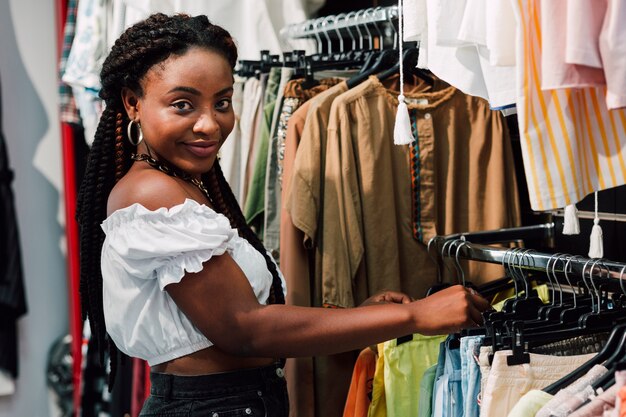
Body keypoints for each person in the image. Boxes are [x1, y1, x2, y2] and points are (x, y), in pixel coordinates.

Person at [76, 13, 491, 417]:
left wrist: (358, 316)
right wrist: (414, 316)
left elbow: (239, 322)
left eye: (222, 102)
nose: (210, 124)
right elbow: (245, 328)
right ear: (133, 102)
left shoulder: (182, 184)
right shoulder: (152, 193)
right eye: (182, 105)